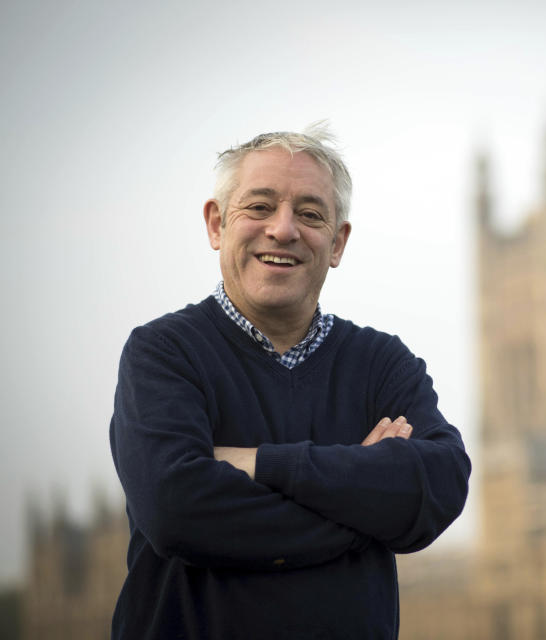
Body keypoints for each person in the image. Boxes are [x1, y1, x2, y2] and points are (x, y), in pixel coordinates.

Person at [109, 124, 471, 639]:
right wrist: (362, 507)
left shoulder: (383, 363)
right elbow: (175, 511)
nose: (283, 230)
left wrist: (261, 463)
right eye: (258, 207)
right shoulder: (164, 354)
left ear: (338, 242)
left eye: (310, 214)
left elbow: (439, 485)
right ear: (216, 224)